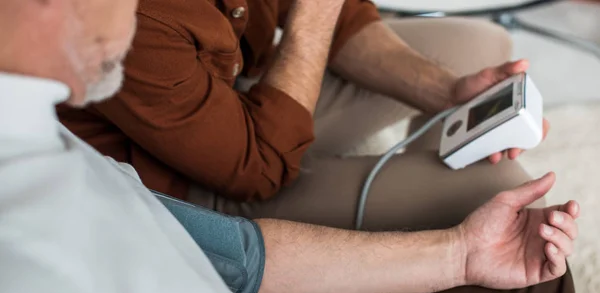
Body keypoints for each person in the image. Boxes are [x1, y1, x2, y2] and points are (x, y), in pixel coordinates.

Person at [2, 1, 600, 293]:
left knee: (524, 278)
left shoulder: (46, 140)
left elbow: (240, 260)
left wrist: (460, 253)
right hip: (235, 172)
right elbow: (256, 168)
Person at [57, 0, 550, 232]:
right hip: (180, 186)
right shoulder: (132, 17)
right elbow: (259, 169)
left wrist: (447, 93)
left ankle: (428, 179)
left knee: (481, 46)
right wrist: (315, 13)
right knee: (500, 189)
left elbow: (345, 19)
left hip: (231, 94)